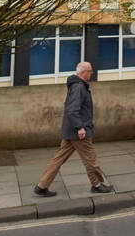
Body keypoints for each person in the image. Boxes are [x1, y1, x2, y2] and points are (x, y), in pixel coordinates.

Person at [35, 61, 114, 196]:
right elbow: (72, 110)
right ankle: (96, 185)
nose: (91, 73)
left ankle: (41, 186)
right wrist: (80, 128)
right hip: (79, 132)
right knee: (90, 159)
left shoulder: (78, 86)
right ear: (83, 72)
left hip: (70, 131)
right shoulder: (78, 87)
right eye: (90, 71)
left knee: (58, 159)